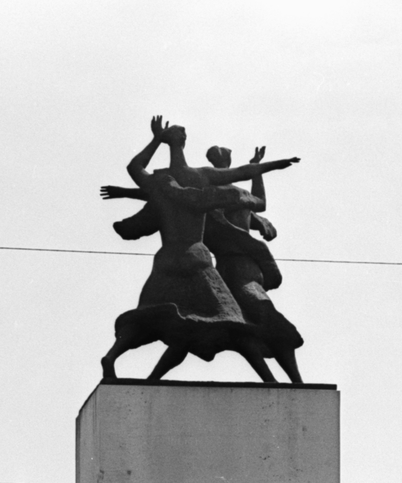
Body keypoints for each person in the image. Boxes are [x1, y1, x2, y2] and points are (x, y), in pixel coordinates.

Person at [97, 116, 299, 384]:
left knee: (152, 315)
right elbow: (242, 176)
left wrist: (156, 139)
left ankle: (113, 357)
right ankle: (270, 380)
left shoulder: (161, 182)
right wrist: (266, 166)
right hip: (197, 259)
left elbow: (136, 168)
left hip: (166, 261)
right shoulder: (203, 180)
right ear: (184, 142)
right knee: (234, 323)